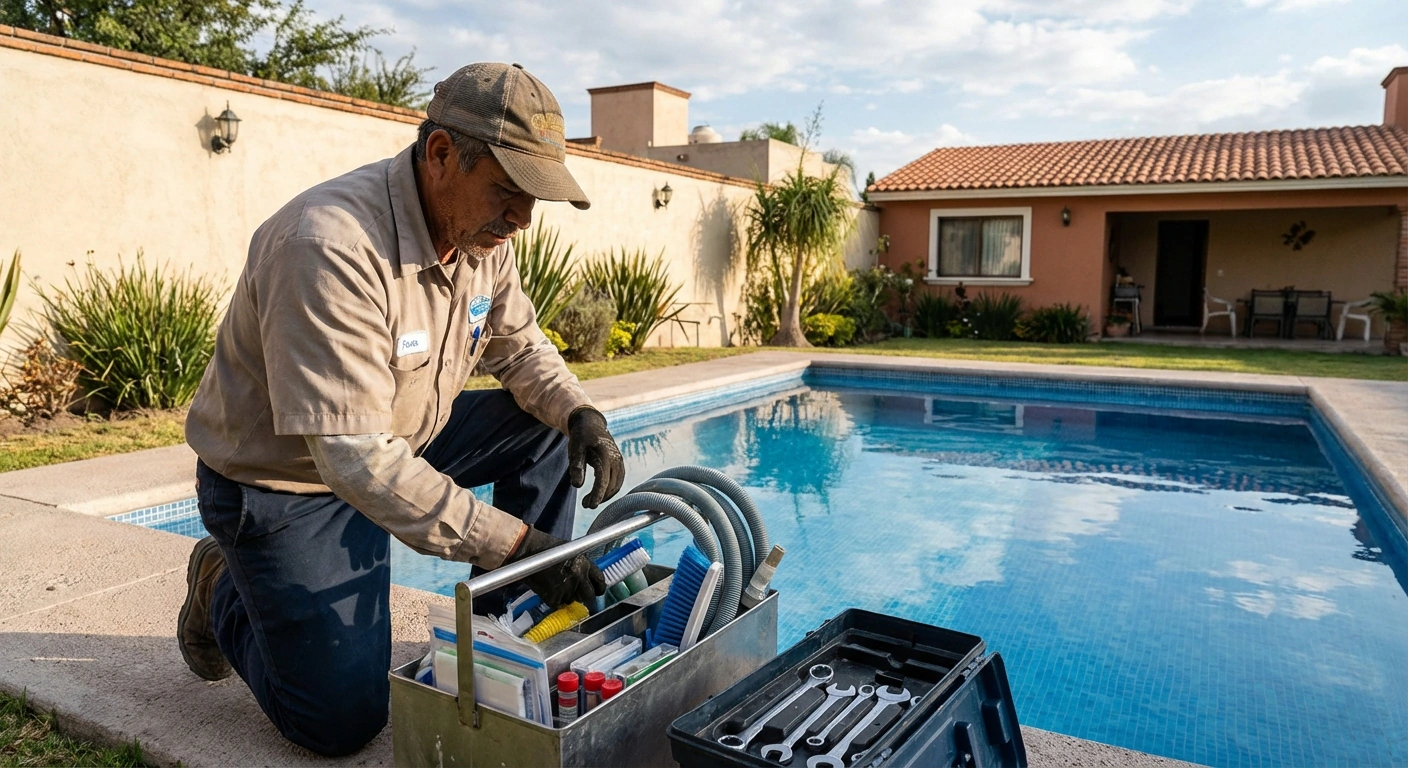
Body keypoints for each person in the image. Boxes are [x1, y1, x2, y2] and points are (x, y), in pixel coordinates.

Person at [178, 62, 624, 756]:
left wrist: (579, 414)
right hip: (289, 481)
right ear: (442, 154)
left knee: (547, 431)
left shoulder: (481, 238)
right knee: (342, 722)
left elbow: (516, 342)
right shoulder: (328, 245)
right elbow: (353, 458)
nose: (523, 220)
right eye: (510, 192)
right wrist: (518, 544)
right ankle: (219, 589)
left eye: (534, 200)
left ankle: (505, 633)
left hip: (399, 440)